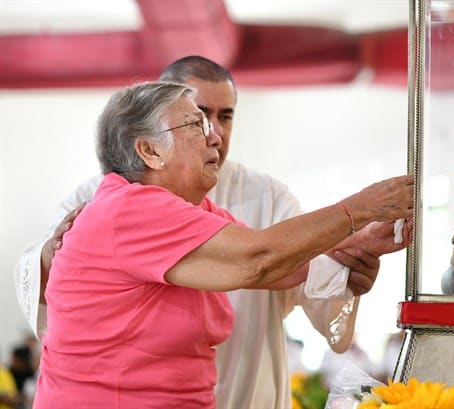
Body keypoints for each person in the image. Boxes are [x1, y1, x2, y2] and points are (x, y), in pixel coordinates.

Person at [14, 56, 414, 408]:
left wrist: (359, 241)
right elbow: (258, 259)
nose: (216, 136)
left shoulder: (198, 207)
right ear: (149, 151)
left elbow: (280, 268)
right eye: (196, 122)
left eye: (222, 119)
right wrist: (359, 208)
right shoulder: (128, 208)